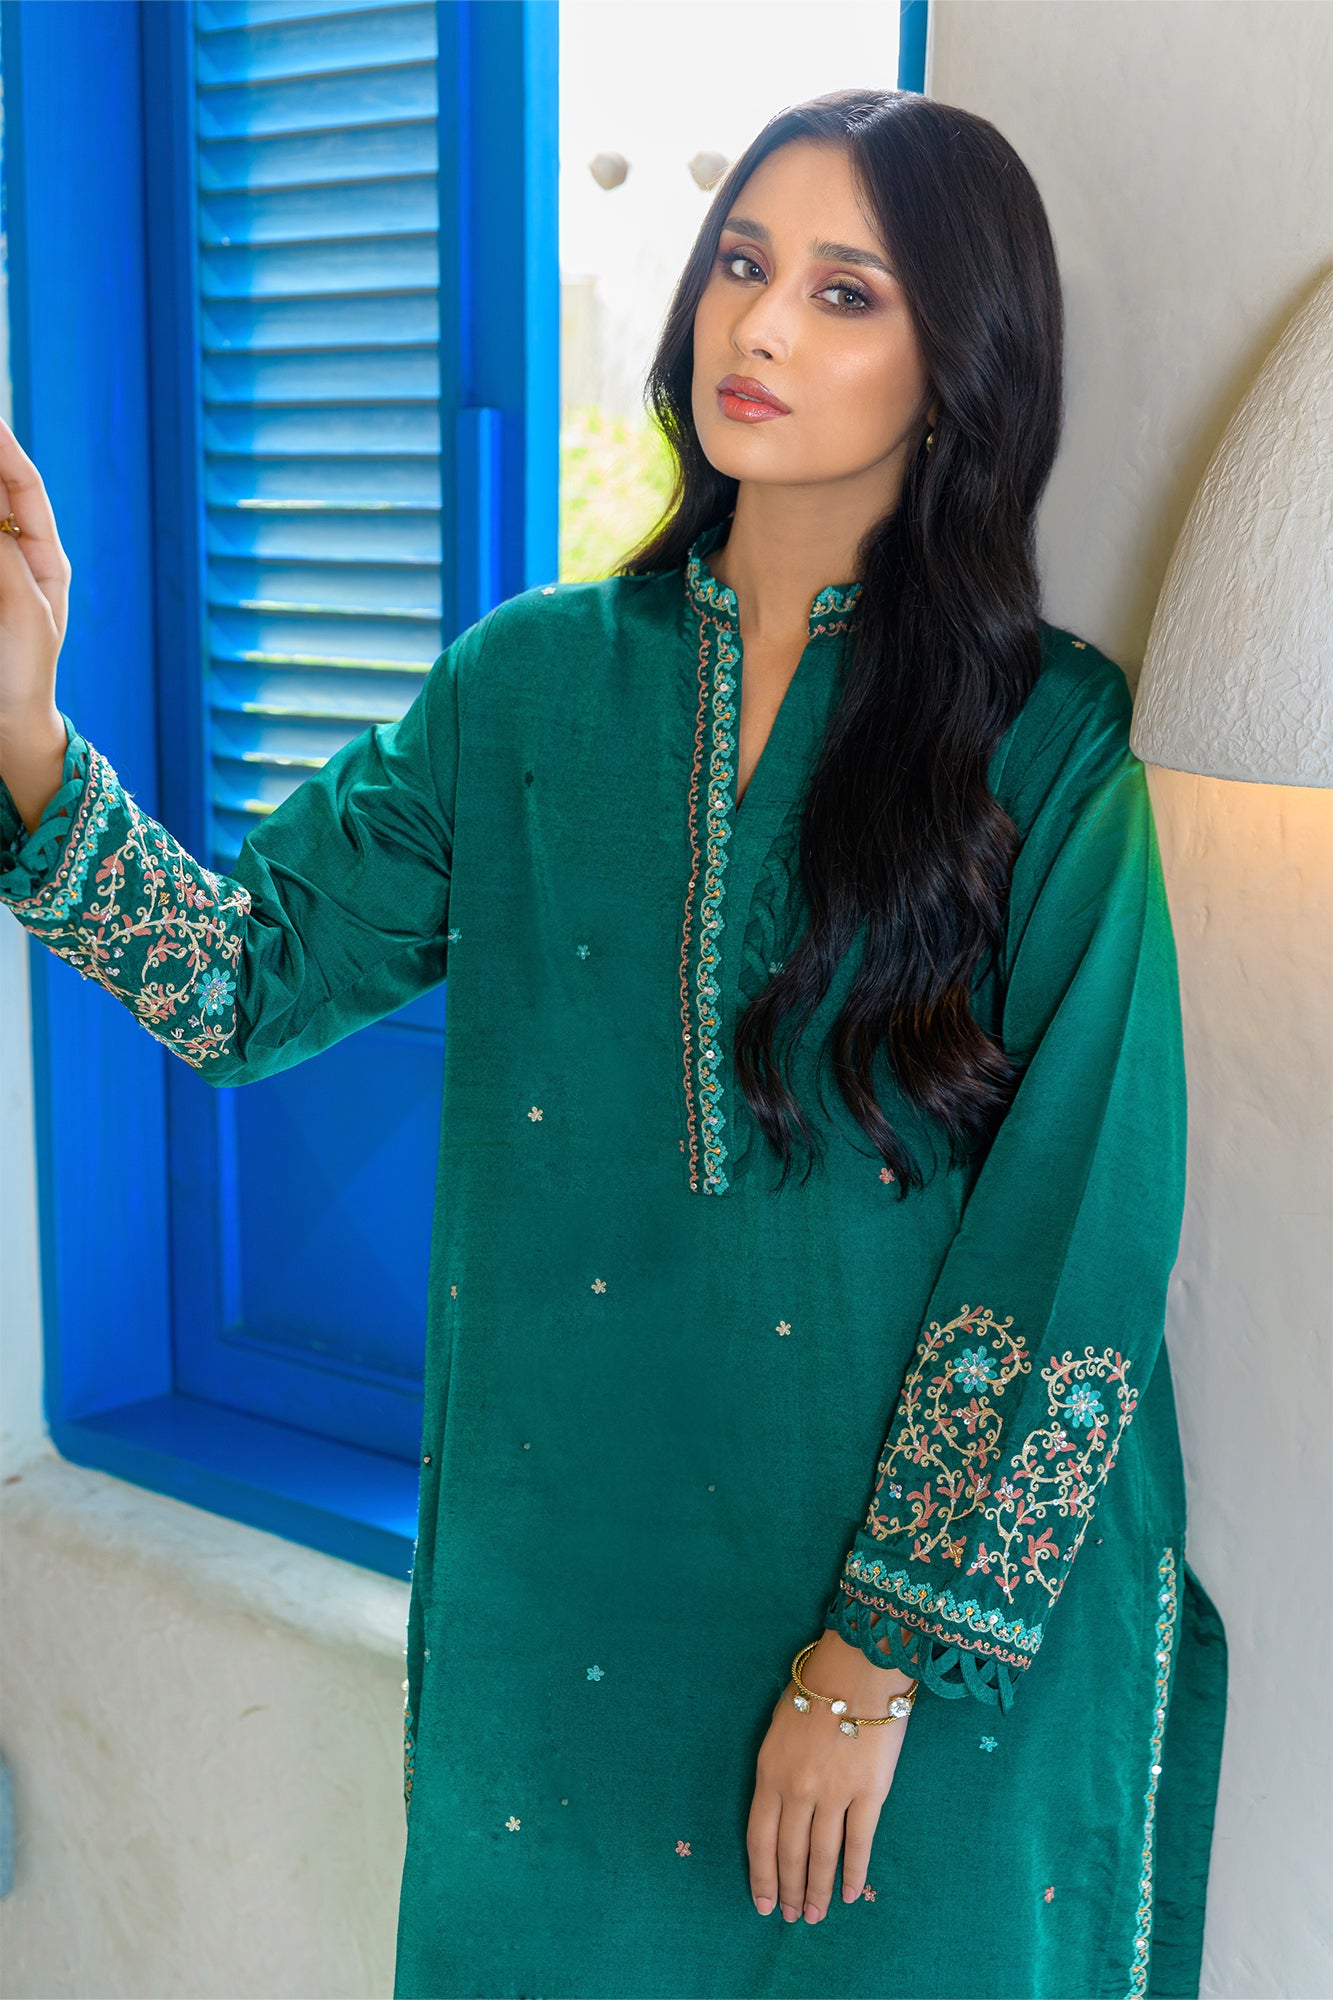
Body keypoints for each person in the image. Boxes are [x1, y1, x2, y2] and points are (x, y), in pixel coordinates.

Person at [0, 86, 1227, 2000]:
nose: (759, 325)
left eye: (844, 293)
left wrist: (873, 1659)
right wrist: (23, 733)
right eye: (741, 263)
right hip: (574, 1596)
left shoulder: (1047, 742)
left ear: (957, 367)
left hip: (912, 1661)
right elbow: (241, 982)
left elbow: (1083, 1214)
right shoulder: (527, 685)